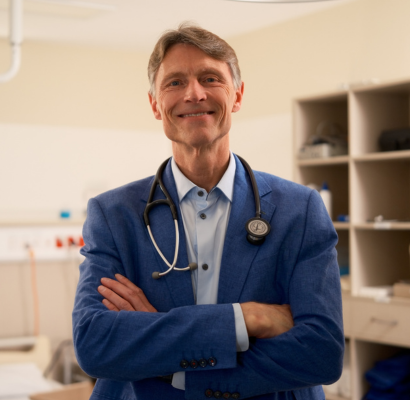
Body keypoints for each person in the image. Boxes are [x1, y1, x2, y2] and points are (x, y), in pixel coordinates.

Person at [72, 23, 344, 400]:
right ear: (155, 104)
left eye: (210, 77)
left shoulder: (300, 210)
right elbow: (95, 344)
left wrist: (163, 346)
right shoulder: (113, 216)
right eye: (174, 82)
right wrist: (248, 318)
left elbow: (321, 353)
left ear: (237, 95)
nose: (194, 93)